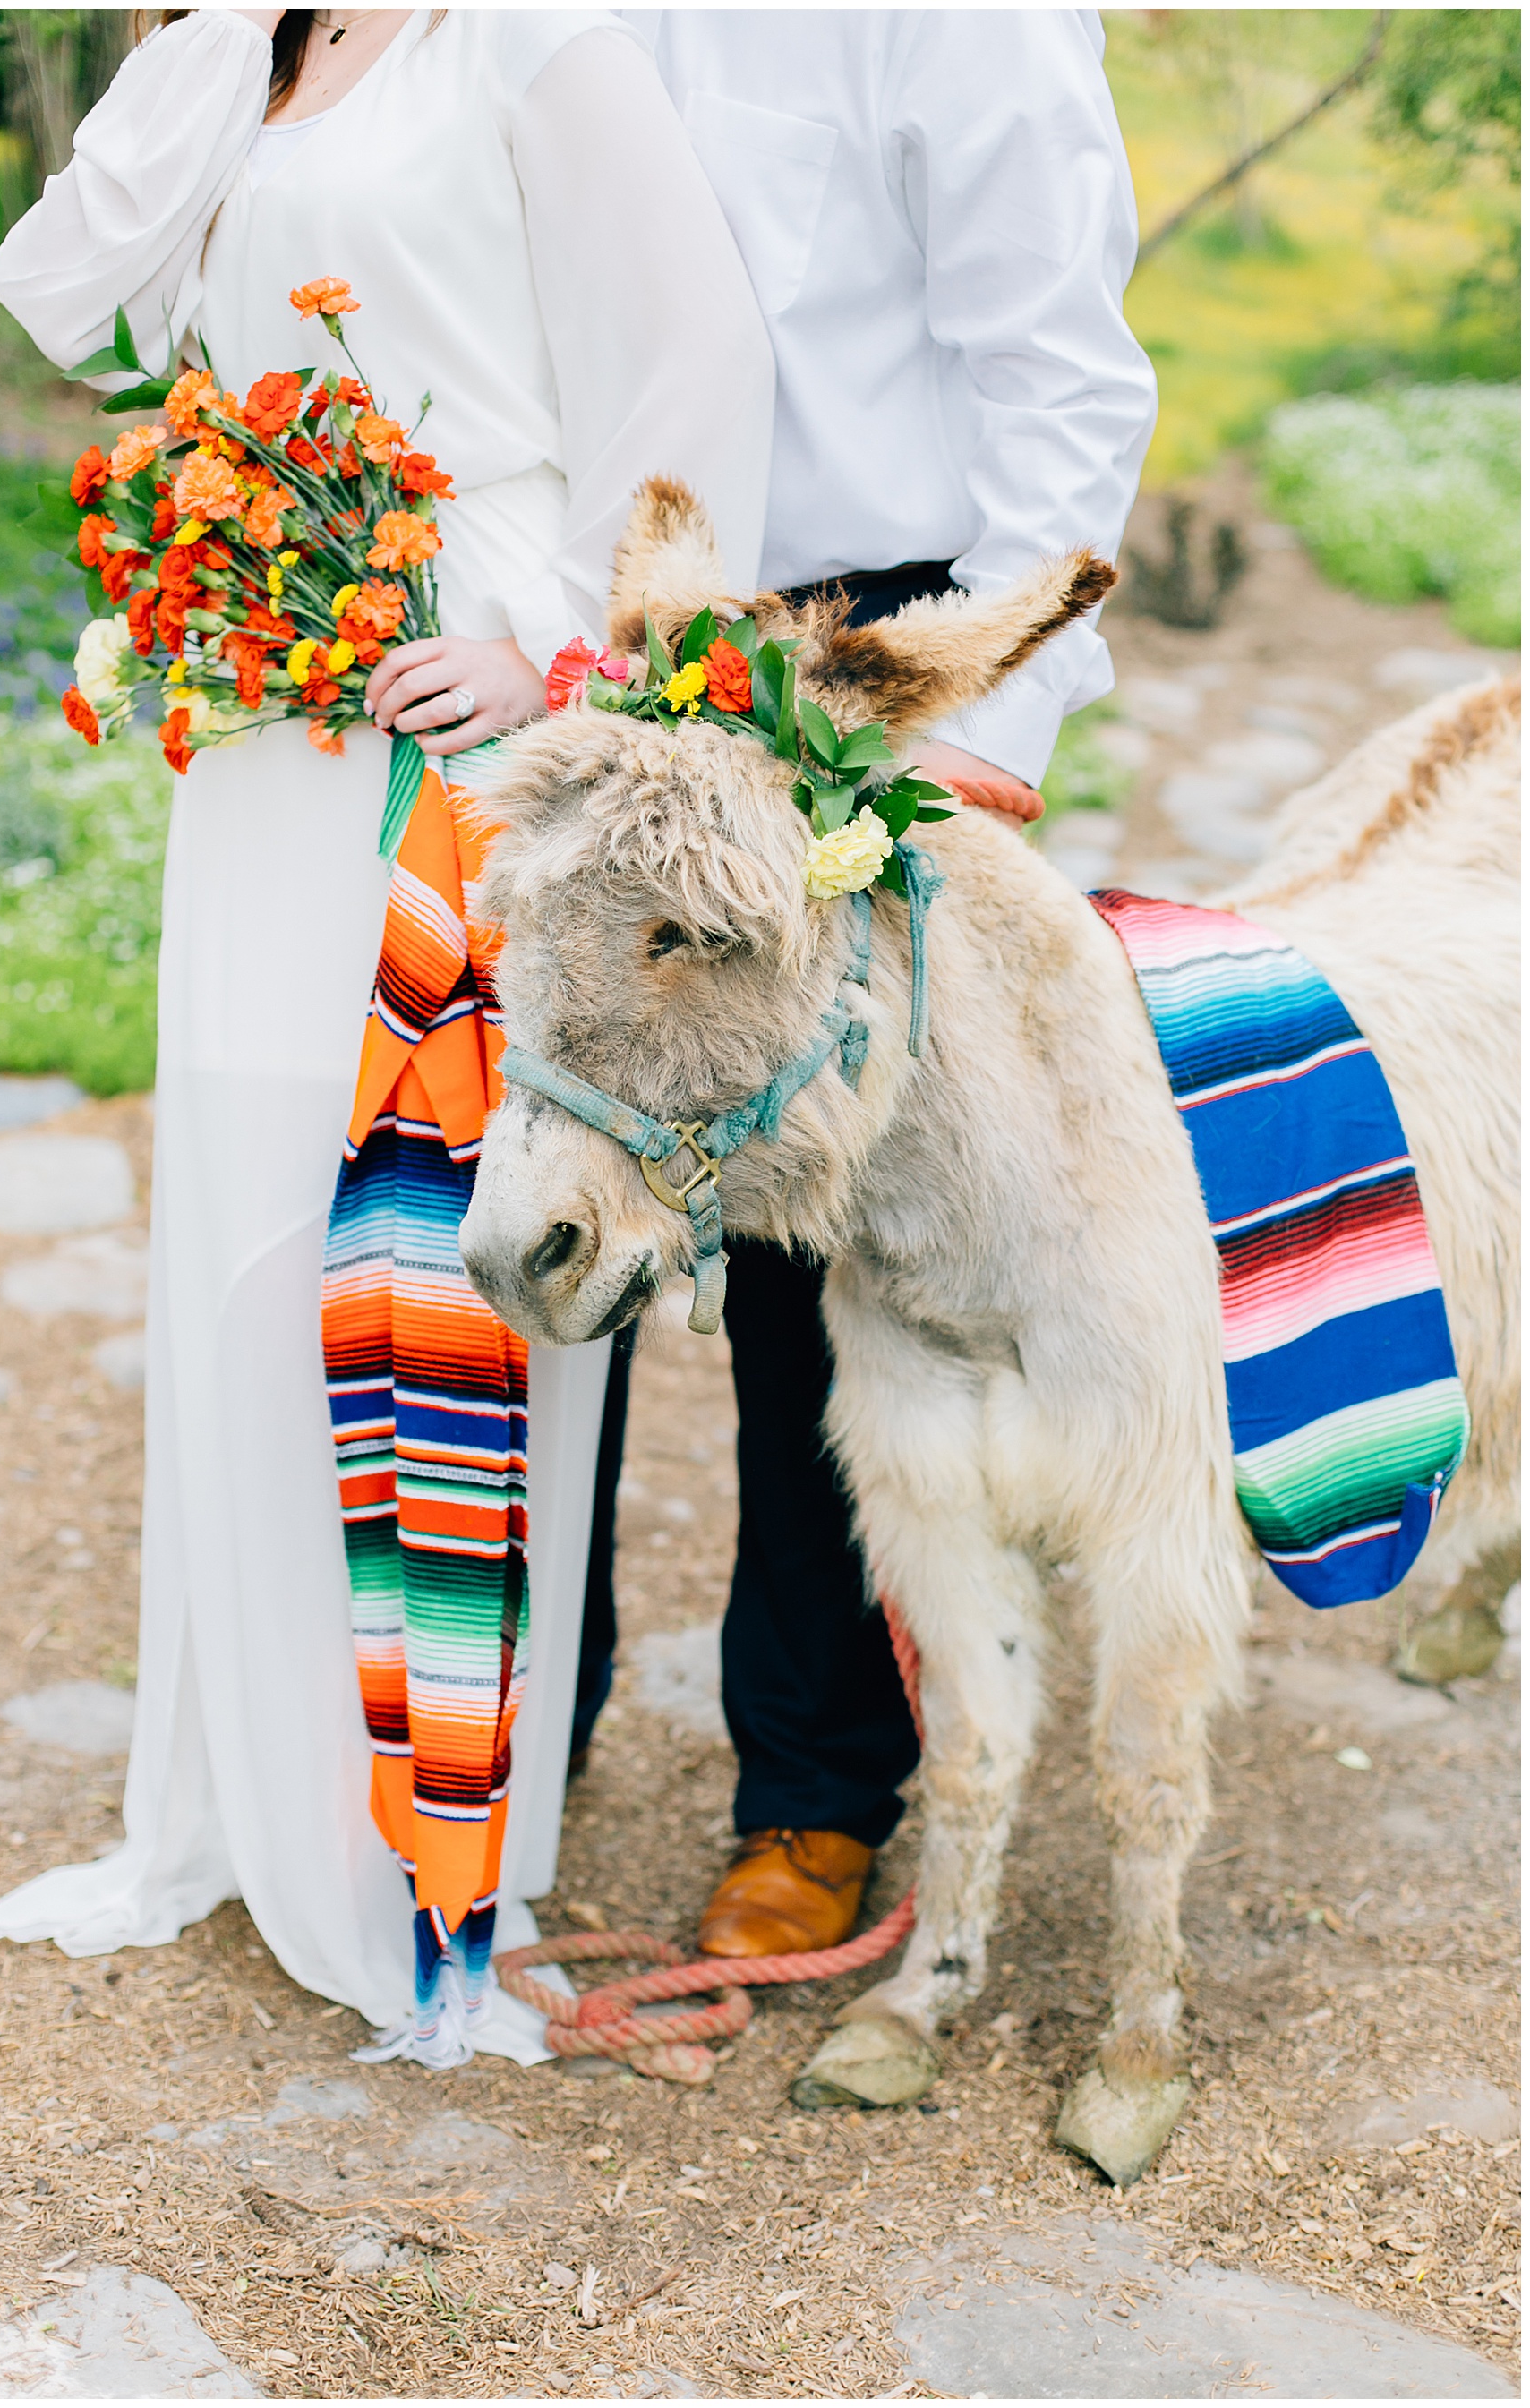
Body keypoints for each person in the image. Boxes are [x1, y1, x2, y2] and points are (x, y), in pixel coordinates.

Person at [0, 5, 772, 2065]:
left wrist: (568, 652)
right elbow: (63, 288)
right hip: (272, 717)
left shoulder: (529, 45)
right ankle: (250, 1793)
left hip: (462, 701)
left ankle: (429, 1829)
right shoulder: (254, 47)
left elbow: (697, 369)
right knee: (247, 1201)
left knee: (417, 1244)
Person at [575, 8, 1159, 1959]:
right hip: (623, 621)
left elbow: (1060, 370)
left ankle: (817, 1788)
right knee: (564, 1154)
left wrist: (987, 711)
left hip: (881, 637)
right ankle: (514, 1715)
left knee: (817, 1262)